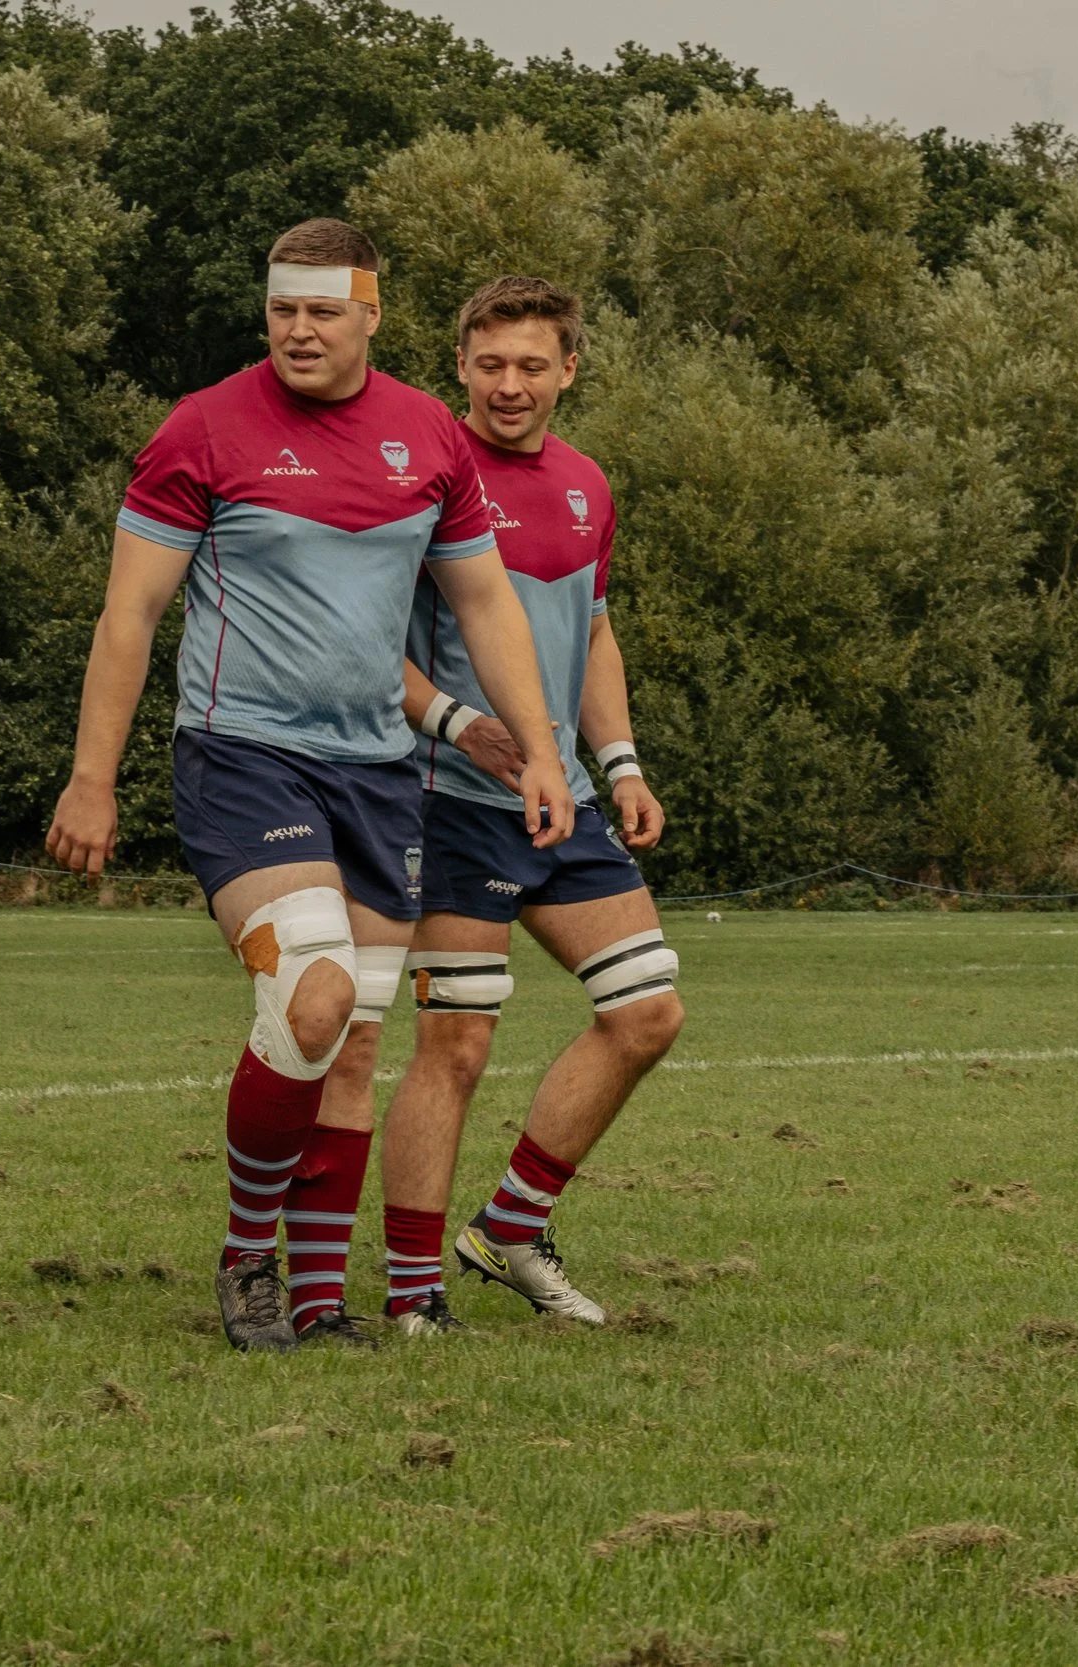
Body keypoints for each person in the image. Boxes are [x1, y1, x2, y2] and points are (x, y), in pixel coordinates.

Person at [45, 220, 573, 1353]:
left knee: (356, 1041)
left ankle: (322, 1300)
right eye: (282, 308)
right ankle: (249, 1255)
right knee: (312, 996)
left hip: (380, 774)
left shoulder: (430, 434)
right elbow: (130, 613)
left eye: (322, 311)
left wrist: (540, 747)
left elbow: (485, 603)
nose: (297, 329)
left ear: (370, 315)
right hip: (242, 756)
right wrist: (93, 777)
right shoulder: (203, 427)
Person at [374, 276, 685, 1337]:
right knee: (456, 1045)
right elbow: (367, 644)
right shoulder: (421, 477)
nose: (509, 385)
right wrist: (460, 722)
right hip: (448, 798)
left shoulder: (587, 484)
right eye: (491, 364)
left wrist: (622, 762)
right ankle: (412, 1291)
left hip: (564, 796)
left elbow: (592, 632)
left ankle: (510, 1226)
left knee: (645, 1011)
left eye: (532, 365)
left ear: (569, 369)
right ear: (459, 364)